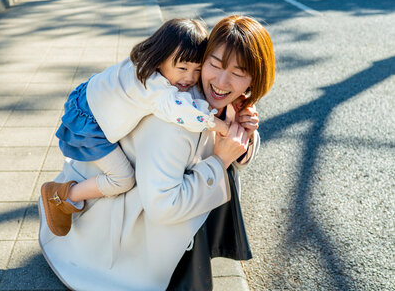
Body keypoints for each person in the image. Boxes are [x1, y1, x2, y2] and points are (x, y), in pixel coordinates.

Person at [38, 15, 276, 290]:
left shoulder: (223, 98)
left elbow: (237, 156)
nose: (222, 81)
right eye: (215, 64)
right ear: (204, 56)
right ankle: (63, 196)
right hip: (111, 239)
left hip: (138, 196)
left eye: (238, 73)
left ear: (253, 80)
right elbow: (163, 207)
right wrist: (221, 158)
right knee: (200, 173)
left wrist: (242, 132)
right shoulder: (174, 116)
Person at [41, 19, 230, 237]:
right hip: (90, 124)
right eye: (183, 68)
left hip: (87, 97)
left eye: (197, 70)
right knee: (122, 179)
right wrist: (222, 127)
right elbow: (184, 113)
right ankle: (63, 195)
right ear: (161, 59)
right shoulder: (153, 88)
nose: (190, 77)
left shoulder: (144, 63)